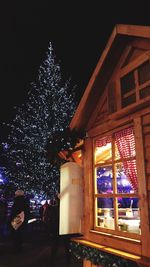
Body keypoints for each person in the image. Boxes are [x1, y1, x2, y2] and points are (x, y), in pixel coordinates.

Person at [10, 189, 30, 253]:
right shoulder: (25, 203)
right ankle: (19, 248)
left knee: (16, 235)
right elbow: (27, 212)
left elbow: (13, 212)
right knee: (20, 235)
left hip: (16, 220)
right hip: (22, 220)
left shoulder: (16, 202)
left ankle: (16, 249)